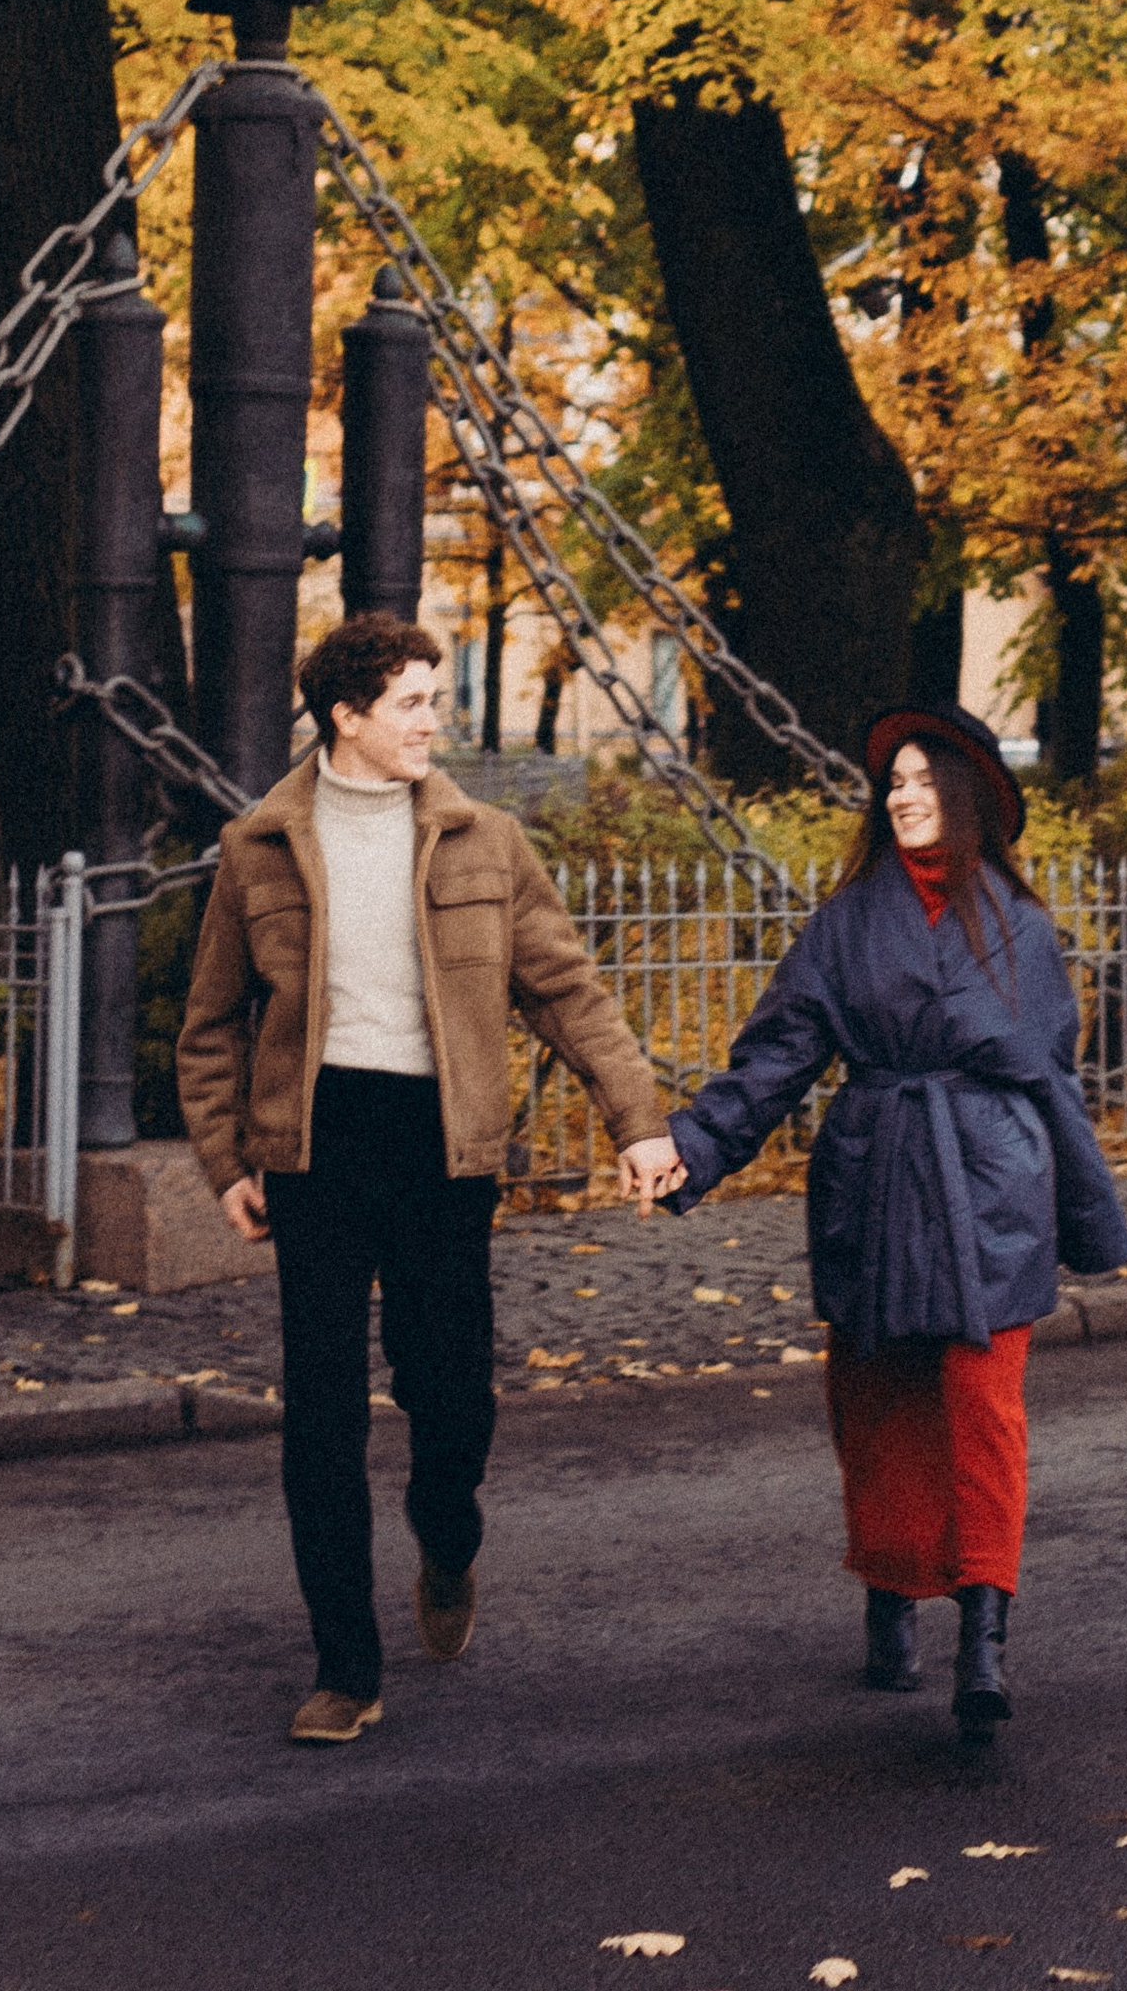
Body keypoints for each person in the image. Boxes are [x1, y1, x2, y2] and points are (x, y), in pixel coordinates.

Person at [178, 610, 677, 1745]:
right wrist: (224, 1163)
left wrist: (636, 1123)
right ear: (346, 718)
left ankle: (446, 1532)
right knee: (320, 1412)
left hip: (443, 1146)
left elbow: (568, 994)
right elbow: (207, 1026)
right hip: (314, 1145)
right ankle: (344, 1670)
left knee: (450, 1392)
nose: (431, 722)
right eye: (410, 703)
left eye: (431, 701)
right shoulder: (257, 845)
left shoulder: (484, 840)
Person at [654, 703, 1127, 1742]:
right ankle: (888, 1592)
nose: (905, 797)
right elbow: (777, 1056)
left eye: (924, 781)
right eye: (894, 783)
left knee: (980, 1405)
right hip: (874, 1175)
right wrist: (694, 1146)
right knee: (875, 1405)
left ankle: (984, 1633)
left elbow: (1054, 1082)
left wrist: (1082, 1207)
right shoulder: (844, 924)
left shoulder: (1023, 928)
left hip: (992, 1183)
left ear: (965, 797)